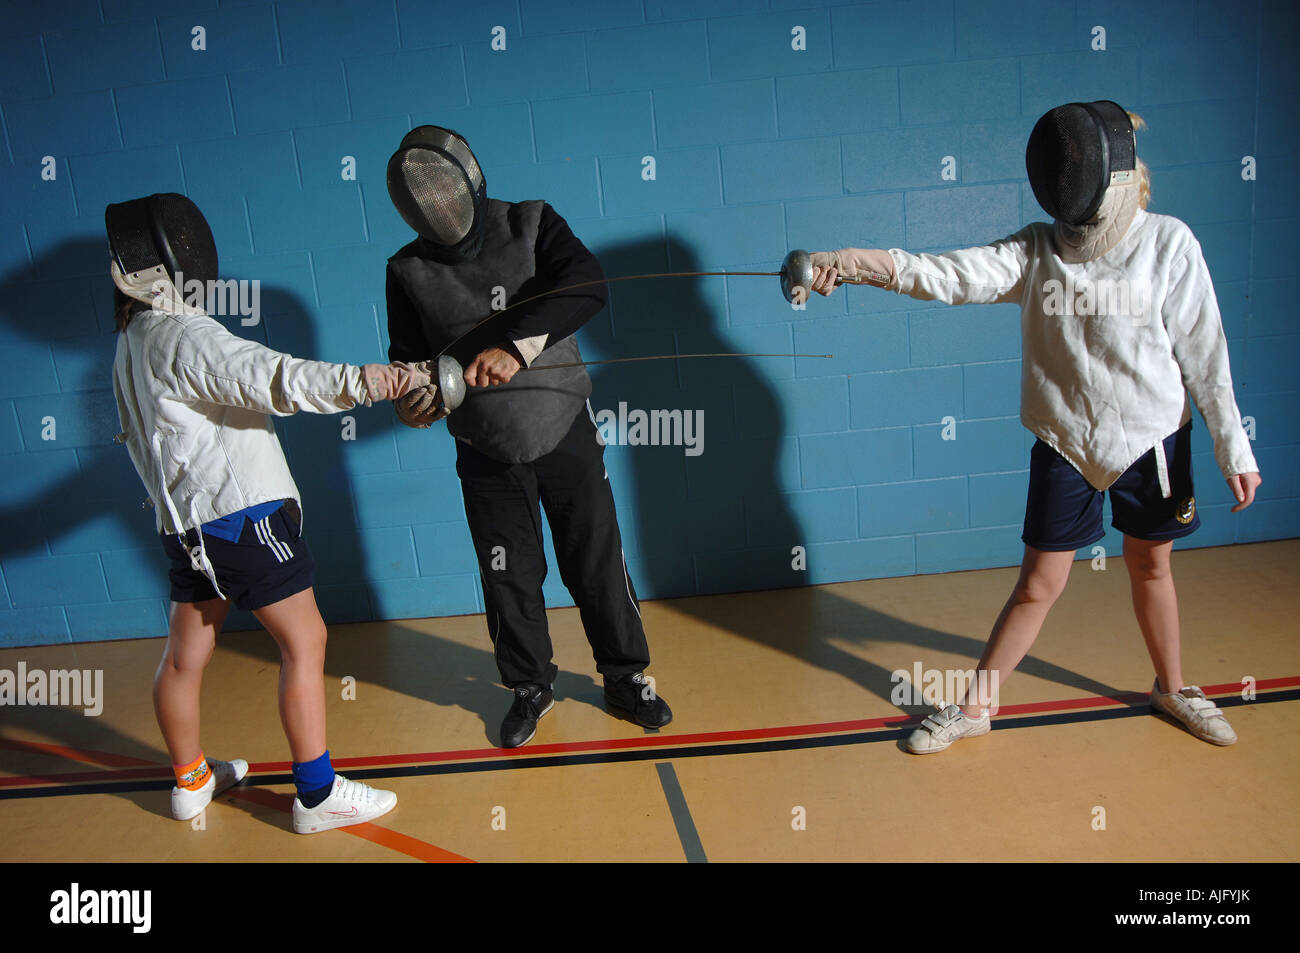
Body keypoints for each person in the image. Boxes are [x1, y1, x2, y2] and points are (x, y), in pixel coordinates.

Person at [797, 101, 1260, 752]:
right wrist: (849, 262)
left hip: (1153, 438)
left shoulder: (1168, 243)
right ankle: (976, 707)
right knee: (1038, 583)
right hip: (1067, 441)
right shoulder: (1036, 249)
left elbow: (1206, 354)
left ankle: (1173, 687)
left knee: (1151, 566)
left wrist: (1233, 447)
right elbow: (947, 274)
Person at [108, 192, 422, 830]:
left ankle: (191, 780)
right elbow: (270, 377)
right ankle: (317, 795)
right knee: (305, 640)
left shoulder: (130, 342)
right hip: (242, 518)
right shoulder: (184, 335)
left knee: (183, 657)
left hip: (186, 528)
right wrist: (370, 381)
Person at [383, 126, 672, 748]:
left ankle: (625, 677)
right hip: (483, 446)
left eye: (443, 194)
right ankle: (529, 686)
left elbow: (587, 284)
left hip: (562, 425)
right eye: (422, 204)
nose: (436, 208)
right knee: (507, 572)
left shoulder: (533, 221)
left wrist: (517, 347)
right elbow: (408, 358)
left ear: (469, 182)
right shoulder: (406, 269)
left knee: (595, 558)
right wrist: (415, 400)